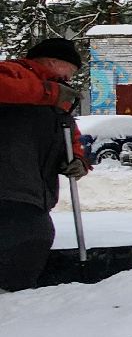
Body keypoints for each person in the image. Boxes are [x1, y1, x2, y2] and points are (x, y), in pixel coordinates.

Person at [0, 38, 89, 291]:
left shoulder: (57, 99)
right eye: (70, 70)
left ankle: (17, 296)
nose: (70, 77)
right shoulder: (14, 72)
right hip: (9, 184)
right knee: (31, 235)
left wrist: (78, 160)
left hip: (33, 190)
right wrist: (49, 93)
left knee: (33, 236)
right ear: (53, 62)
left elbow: (69, 134)